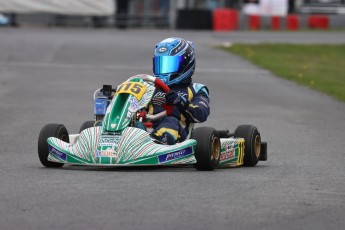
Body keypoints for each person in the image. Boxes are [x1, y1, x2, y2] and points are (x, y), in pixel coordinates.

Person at [148, 37, 210, 145]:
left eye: (168, 65)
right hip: (145, 130)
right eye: (160, 64)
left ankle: (158, 141)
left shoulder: (196, 89)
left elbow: (201, 114)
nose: (163, 70)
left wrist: (182, 102)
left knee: (170, 121)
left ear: (185, 64)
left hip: (178, 135)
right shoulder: (149, 87)